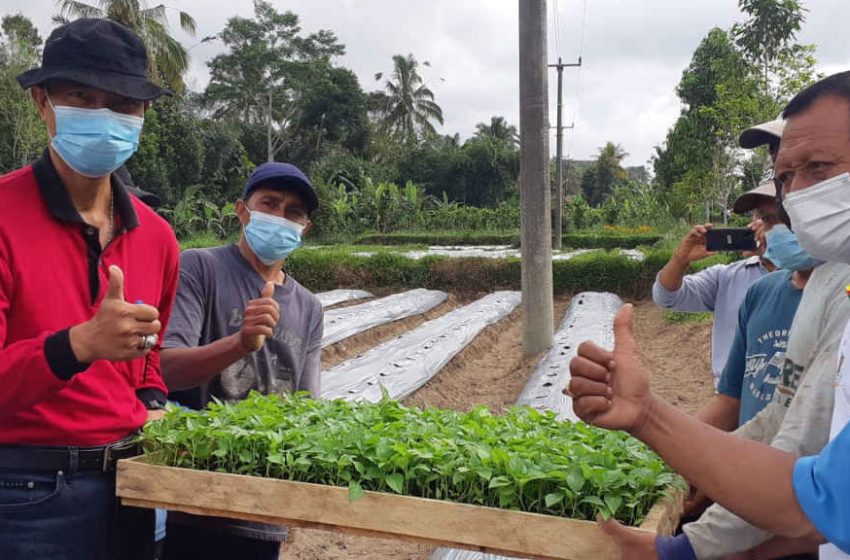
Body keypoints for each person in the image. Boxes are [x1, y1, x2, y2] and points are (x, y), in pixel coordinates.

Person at [568, 71, 850, 559]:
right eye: (785, 179)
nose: (797, 198)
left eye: (819, 168)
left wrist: (651, 420)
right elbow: (784, 421)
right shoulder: (823, 281)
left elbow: (814, 496)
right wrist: (693, 517)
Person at [0, 18, 178, 559]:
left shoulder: (157, 237)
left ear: (143, 113)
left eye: (124, 103)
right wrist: (77, 346)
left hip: (132, 485)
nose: (106, 117)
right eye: (82, 96)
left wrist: (151, 396)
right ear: (42, 101)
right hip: (28, 494)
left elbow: (148, 359)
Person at [160, 162, 324, 560]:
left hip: (265, 511)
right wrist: (240, 343)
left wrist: (298, 502)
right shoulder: (200, 267)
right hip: (197, 503)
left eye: (293, 212)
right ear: (242, 210)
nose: (280, 217)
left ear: (305, 227)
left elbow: (305, 408)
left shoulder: (309, 307)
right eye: (269, 203)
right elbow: (165, 369)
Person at [652, 212, 776, 389]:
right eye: (756, 216)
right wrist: (679, 260)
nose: (756, 226)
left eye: (768, 218)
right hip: (731, 399)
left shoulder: (811, 277)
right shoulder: (726, 276)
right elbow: (666, 298)